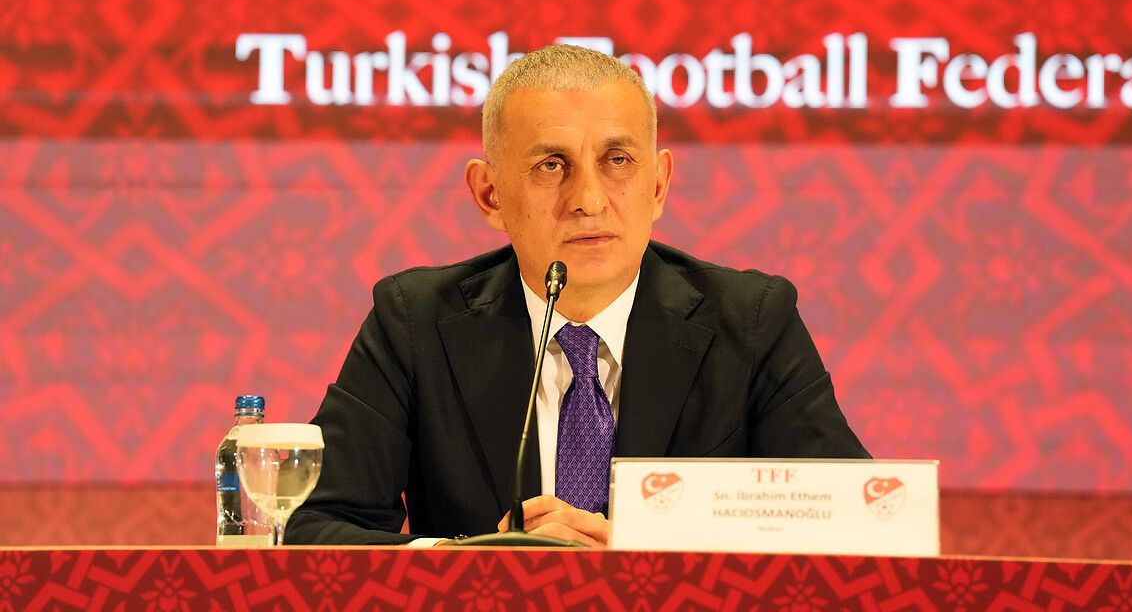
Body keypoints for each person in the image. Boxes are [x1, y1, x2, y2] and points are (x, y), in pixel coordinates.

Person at [286, 44, 868, 546]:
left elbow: (856, 529)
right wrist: (475, 561)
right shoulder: (415, 323)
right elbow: (314, 524)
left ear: (658, 184)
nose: (588, 199)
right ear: (489, 194)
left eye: (618, 161)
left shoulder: (753, 322)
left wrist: (649, 555)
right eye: (551, 165)